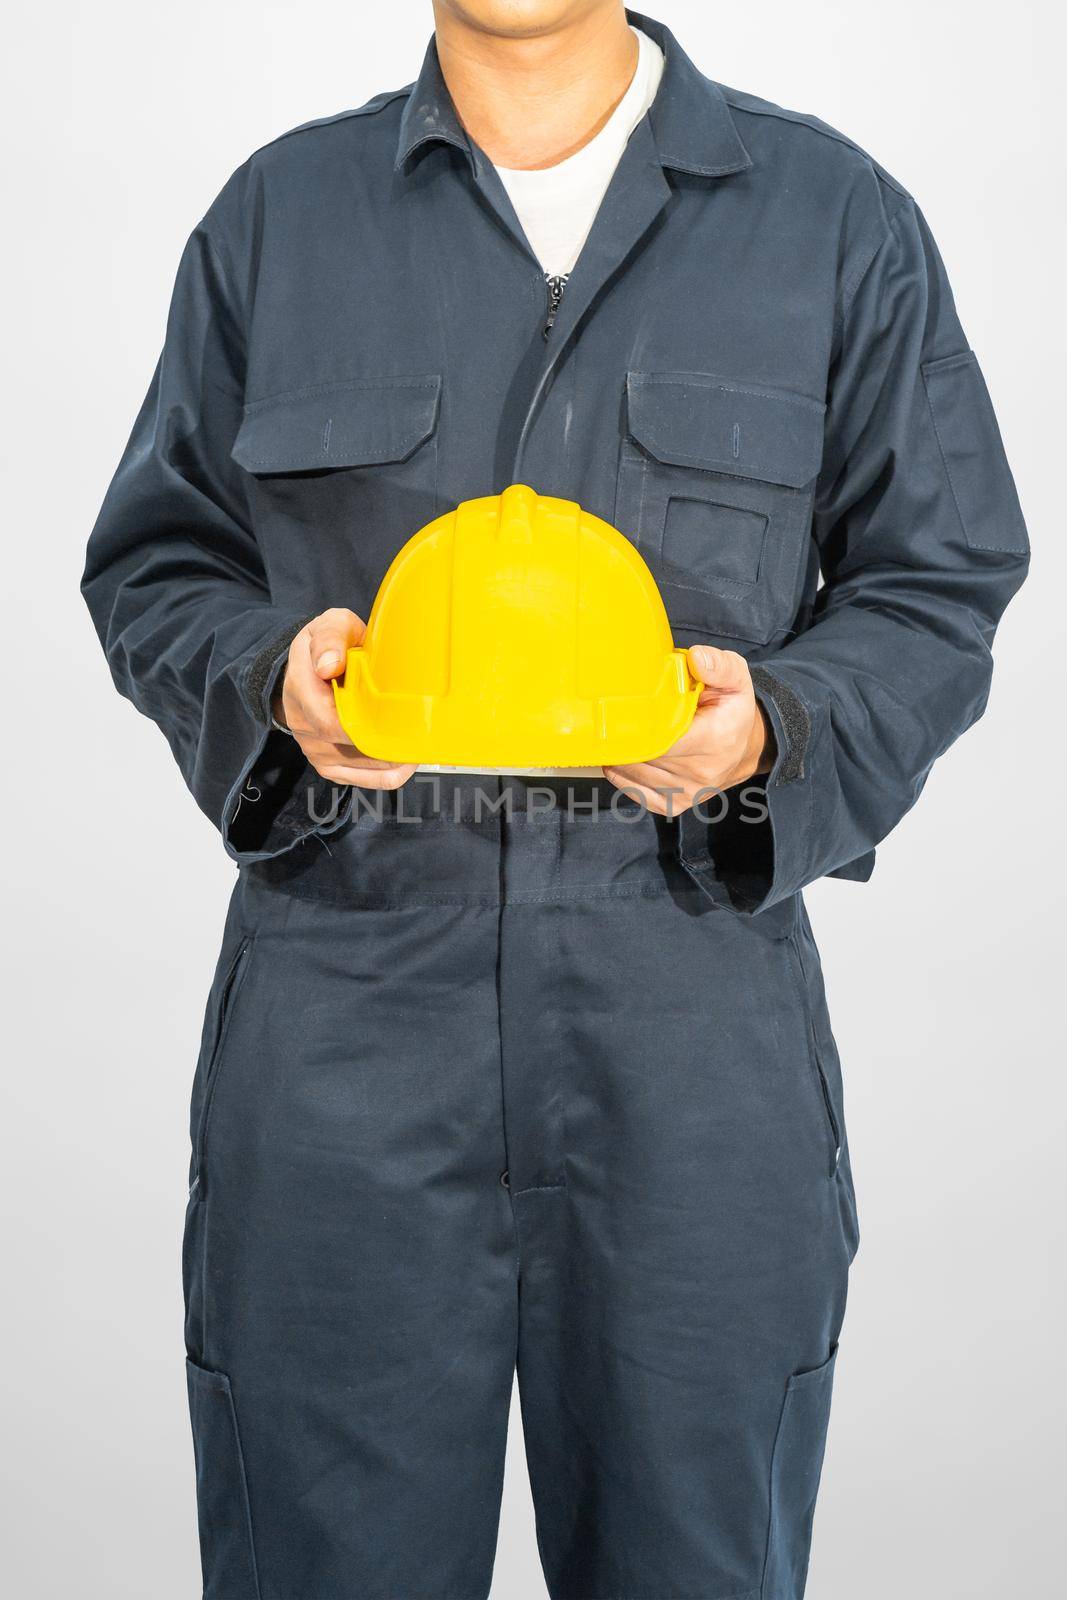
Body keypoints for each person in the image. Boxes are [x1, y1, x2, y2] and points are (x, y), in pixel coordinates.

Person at [81, 4, 1029, 1596]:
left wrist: (776, 734)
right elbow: (158, 560)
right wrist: (270, 683)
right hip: (343, 1020)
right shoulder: (279, 221)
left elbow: (938, 582)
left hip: (692, 1023)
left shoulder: (829, 220)